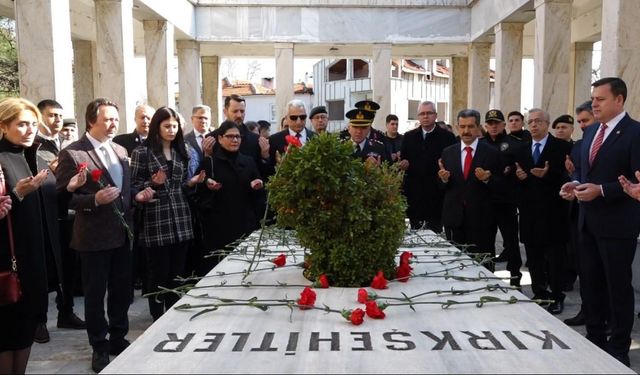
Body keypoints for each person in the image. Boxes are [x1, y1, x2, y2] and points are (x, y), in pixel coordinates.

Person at [560, 77, 640, 366]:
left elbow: (636, 180)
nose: (594, 103)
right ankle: (594, 338)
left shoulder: (634, 133)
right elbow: (586, 171)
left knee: (617, 286)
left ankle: (619, 346)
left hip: (618, 225)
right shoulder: (592, 133)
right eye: (593, 98)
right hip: (587, 222)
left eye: (601, 99)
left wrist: (602, 191)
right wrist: (576, 184)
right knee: (591, 284)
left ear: (619, 100)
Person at [54, 98, 134, 373]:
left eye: (116, 118)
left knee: (122, 292)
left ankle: (118, 337)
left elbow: (125, 190)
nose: (113, 124)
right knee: (95, 294)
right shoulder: (74, 153)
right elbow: (62, 197)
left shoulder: (121, 150)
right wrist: (93, 200)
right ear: (91, 120)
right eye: (108, 119)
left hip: (123, 235)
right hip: (93, 237)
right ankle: (98, 346)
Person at [130, 107, 204, 321]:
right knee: (158, 272)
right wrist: (152, 183)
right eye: (167, 126)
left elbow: (180, 184)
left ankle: (173, 314)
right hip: (156, 218)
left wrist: (191, 182)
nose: (171, 130)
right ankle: (156, 316)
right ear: (157, 127)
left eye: (174, 126)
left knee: (177, 272)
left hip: (181, 218)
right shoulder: (141, 152)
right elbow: (133, 185)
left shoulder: (184, 150)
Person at [0, 97, 49, 374]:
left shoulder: (34, 154)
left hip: (33, 260)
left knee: (26, 327)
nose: (30, 130)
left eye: (33, 124)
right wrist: (17, 194)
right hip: (8, 260)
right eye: (21, 124)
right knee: (7, 332)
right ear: (3, 126)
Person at [35, 99, 85, 344]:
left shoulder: (68, 145)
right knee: (45, 270)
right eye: (52, 115)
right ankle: (39, 320)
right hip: (44, 216)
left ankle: (66, 311)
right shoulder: (34, 146)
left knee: (68, 266)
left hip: (69, 214)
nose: (57, 121)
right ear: (40, 116)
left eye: (60, 116)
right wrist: (53, 172)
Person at [515, 108, 571, 315]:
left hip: (554, 211)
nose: (534, 125)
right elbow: (515, 178)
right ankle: (539, 292)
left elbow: (568, 177)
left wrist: (548, 175)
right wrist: (519, 176)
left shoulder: (562, 147)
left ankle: (557, 296)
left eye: (538, 121)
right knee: (534, 256)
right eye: (530, 122)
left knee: (556, 258)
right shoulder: (521, 149)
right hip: (529, 212)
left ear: (548, 124)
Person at [194, 120, 264, 276]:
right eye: (230, 136)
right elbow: (196, 191)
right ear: (220, 139)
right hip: (219, 230)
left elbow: (259, 192)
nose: (235, 140)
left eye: (238, 137)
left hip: (245, 226)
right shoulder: (209, 162)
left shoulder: (248, 161)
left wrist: (257, 185)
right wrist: (207, 184)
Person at [438, 109, 503, 271]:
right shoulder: (448, 152)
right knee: (457, 265)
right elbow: (441, 186)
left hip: (482, 219)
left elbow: (502, 186)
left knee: (483, 266)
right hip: (455, 219)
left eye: (470, 126)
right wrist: (443, 179)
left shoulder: (491, 153)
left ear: (479, 127)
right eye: (462, 126)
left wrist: (487, 179)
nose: (466, 131)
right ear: (457, 127)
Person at [481, 109, 523, 286]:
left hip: (506, 200)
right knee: (485, 243)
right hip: (485, 201)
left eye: (497, 123)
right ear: (485, 125)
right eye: (490, 123)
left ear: (503, 125)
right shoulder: (480, 144)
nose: (493, 126)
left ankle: (515, 279)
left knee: (511, 242)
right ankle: (488, 277)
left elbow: (516, 170)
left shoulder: (513, 143)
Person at [398, 100, 456, 231]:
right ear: (418, 116)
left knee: (434, 235)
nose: (425, 116)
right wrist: (403, 163)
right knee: (416, 234)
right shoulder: (409, 137)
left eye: (429, 113)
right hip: (415, 195)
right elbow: (403, 159)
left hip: (437, 195)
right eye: (422, 113)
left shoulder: (447, 137)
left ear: (435, 115)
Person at [563, 100, 596, 327]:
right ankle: (588, 310)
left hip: (608, 217)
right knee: (586, 268)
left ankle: (609, 317)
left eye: (586, 120)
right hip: (581, 215)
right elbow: (580, 175)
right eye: (580, 122)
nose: (582, 125)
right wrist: (573, 182)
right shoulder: (579, 146)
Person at [268, 100, 317, 166]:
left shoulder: (316, 138)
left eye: (302, 117)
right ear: (286, 118)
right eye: (294, 118)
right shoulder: (274, 140)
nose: (298, 122)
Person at [35, 99, 64, 165]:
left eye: (61, 116)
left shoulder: (68, 142)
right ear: (39, 117)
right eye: (52, 115)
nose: (58, 120)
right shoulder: (32, 145)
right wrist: (49, 170)